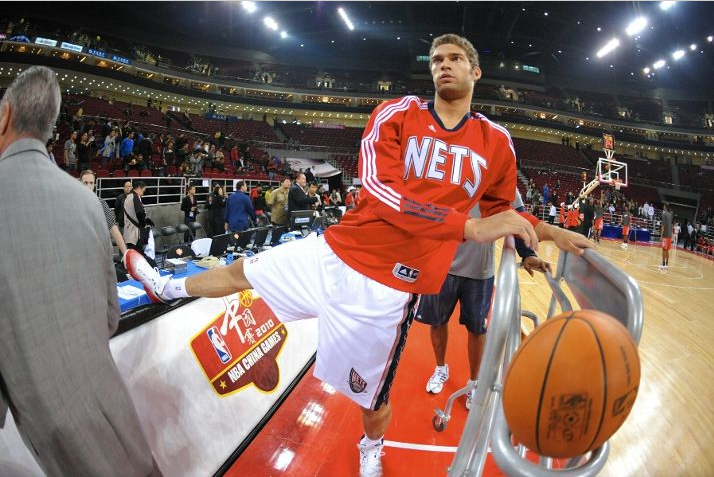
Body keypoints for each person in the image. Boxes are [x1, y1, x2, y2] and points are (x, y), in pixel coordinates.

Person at [124, 34, 591, 477]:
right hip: (339, 251)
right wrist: (466, 227)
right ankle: (167, 287)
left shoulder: (496, 142)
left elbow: (501, 211)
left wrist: (541, 235)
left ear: (476, 71)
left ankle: (371, 449)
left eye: (453, 59)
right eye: (436, 60)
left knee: (372, 398)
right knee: (244, 271)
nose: (443, 65)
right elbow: (381, 191)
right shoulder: (397, 114)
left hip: (393, 286)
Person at [0, 65, 160, 476]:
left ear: (4, 117)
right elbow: (110, 317)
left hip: (55, 433)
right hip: (114, 408)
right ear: (50, 128)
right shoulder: (88, 203)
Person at [418, 192, 550, 410]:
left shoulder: (499, 177)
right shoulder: (450, 166)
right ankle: (441, 368)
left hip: (480, 271)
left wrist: (527, 253)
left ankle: (474, 382)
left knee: (477, 330)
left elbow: (518, 216)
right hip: (441, 265)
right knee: (437, 322)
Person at [80, 169, 128, 257]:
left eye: (91, 183)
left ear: (94, 185)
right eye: (85, 183)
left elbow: (114, 229)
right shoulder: (73, 203)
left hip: (96, 252)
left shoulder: (101, 203)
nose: (88, 186)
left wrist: (125, 254)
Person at [659, 203, 673, 272]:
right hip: (669, 235)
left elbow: (663, 226)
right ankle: (666, 264)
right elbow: (671, 225)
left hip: (665, 235)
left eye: (664, 205)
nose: (663, 206)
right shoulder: (670, 215)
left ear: (665, 207)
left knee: (664, 250)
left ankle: (663, 264)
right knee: (667, 250)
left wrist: (661, 236)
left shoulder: (664, 214)